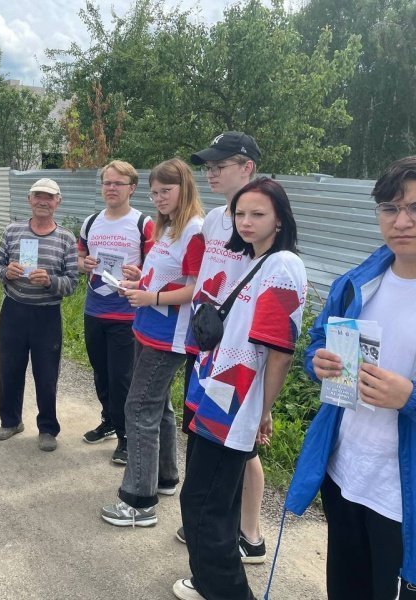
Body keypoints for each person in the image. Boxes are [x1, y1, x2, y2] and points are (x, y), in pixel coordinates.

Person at [286, 156, 416, 600]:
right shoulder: (360, 282)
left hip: (403, 496)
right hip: (345, 473)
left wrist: (410, 396)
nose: (402, 221)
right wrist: (318, 360)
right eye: (390, 209)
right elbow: (321, 340)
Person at [173, 177, 306, 600]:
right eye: (240, 214)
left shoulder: (283, 267)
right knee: (218, 504)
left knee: (200, 507)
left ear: (280, 220)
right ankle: (212, 580)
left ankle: (227, 591)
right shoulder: (254, 260)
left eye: (258, 214)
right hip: (214, 393)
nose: (246, 222)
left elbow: (279, 352)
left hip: (234, 406)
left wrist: (262, 412)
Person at [176, 131, 269, 565]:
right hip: (205, 347)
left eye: (220, 165)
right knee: (209, 441)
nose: (210, 172)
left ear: (247, 167)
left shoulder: (261, 220)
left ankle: (246, 533)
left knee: (238, 446)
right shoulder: (214, 219)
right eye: (207, 166)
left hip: (237, 358)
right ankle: (212, 522)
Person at [99, 158, 204, 526]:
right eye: (155, 192)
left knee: (139, 408)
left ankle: (138, 502)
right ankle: (164, 477)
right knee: (157, 408)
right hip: (148, 327)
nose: (159, 198)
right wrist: (138, 281)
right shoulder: (170, 226)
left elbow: (196, 289)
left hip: (168, 336)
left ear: (184, 188)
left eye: (167, 191)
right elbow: (167, 277)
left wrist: (152, 298)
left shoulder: (194, 229)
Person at [0, 178, 78, 452]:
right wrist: (6, 272)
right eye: (38, 196)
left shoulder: (66, 238)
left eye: (49, 197)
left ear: (58, 202)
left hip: (47, 316)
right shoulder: (12, 231)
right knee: (10, 368)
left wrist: (50, 281)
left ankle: (48, 429)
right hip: (14, 310)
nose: (43, 201)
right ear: (29, 200)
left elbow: (72, 282)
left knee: (47, 373)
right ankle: (11, 421)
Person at [78, 160, 153, 464]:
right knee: (100, 373)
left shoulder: (143, 223)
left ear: (132, 188)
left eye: (117, 183)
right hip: (95, 308)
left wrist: (140, 274)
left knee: (122, 377)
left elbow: (158, 267)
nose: (110, 188)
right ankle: (109, 420)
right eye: (107, 182)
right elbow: (80, 253)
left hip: (127, 314)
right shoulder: (91, 220)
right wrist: (83, 263)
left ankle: (126, 437)